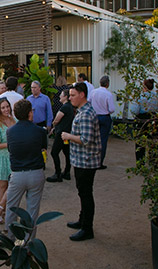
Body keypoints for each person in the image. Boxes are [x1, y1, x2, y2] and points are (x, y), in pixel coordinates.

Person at [61, 82, 101, 241]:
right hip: (82, 160)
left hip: (86, 161)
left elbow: (86, 139)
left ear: (82, 95)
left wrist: (68, 136)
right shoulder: (84, 110)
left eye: (72, 95)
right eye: (69, 95)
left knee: (85, 194)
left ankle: (87, 228)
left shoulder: (85, 114)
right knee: (83, 192)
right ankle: (82, 221)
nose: (70, 98)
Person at [5, 99, 48, 241]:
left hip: (17, 174)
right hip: (36, 173)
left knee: (11, 208)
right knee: (32, 211)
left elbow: (11, 149)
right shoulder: (40, 131)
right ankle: (28, 243)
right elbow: (43, 148)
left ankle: (11, 240)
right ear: (30, 113)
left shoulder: (10, 132)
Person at [130, 79, 158, 163]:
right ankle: (153, 162)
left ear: (144, 87)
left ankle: (140, 163)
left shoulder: (140, 97)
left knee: (140, 142)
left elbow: (135, 110)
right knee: (153, 141)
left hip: (142, 118)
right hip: (153, 118)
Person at [47, 89, 74, 182]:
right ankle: (66, 172)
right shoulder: (70, 107)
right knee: (67, 153)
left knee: (54, 152)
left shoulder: (65, 107)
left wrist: (53, 125)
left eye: (61, 95)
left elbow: (57, 119)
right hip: (66, 133)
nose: (59, 96)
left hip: (61, 134)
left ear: (66, 97)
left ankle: (58, 173)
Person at [90, 76, 115, 169]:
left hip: (94, 116)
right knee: (103, 140)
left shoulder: (93, 92)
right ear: (107, 84)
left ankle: (92, 159)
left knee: (93, 138)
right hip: (104, 116)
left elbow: (88, 102)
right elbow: (112, 109)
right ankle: (100, 161)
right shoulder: (108, 94)